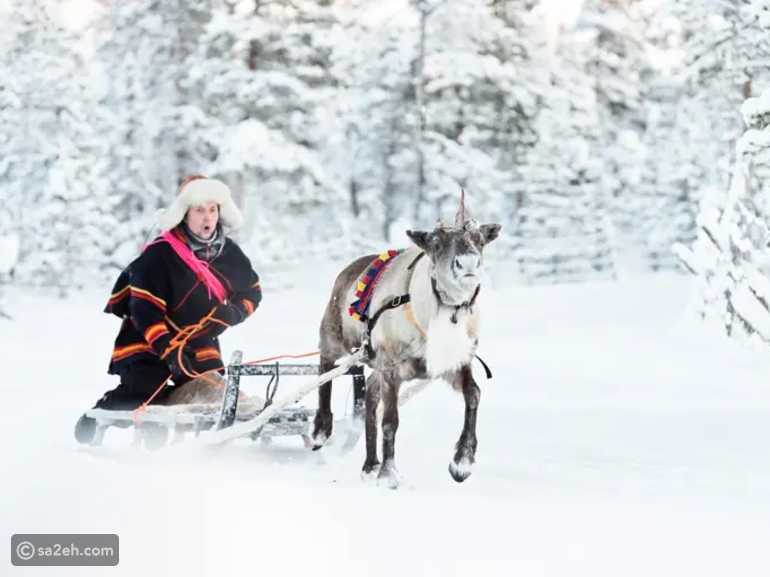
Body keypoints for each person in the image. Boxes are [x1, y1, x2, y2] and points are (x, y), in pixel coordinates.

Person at [74, 174, 262, 444]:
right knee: (146, 390)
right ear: (184, 213)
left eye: (212, 210)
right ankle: (103, 411)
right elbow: (144, 311)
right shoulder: (159, 254)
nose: (207, 218)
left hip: (198, 343)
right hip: (147, 340)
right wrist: (169, 351)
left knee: (212, 393)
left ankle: (184, 432)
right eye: (199, 210)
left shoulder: (229, 253)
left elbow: (252, 292)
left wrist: (234, 312)